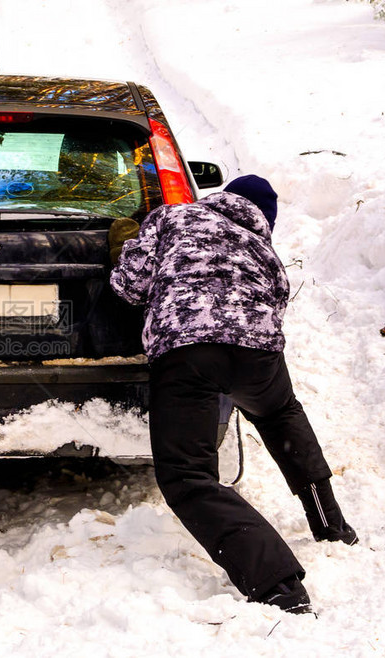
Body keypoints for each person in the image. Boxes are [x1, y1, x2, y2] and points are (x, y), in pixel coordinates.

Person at [109, 175, 357, 614]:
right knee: (281, 415)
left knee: (188, 475)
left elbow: (129, 286)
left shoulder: (171, 216)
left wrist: (125, 245)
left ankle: (277, 583)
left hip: (188, 352)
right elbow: (276, 303)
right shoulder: (264, 248)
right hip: (257, 352)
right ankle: (332, 527)